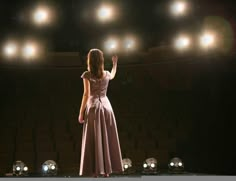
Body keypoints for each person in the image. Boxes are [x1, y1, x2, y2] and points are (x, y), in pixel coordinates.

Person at [78, 48, 124, 177]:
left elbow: (86, 94)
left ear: (90, 60)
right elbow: (113, 75)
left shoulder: (87, 74)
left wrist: (81, 112)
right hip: (107, 107)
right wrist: (115, 64)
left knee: (95, 138)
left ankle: (95, 170)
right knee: (106, 137)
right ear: (101, 60)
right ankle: (106, 171)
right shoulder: (106, 73)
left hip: (93, 107)